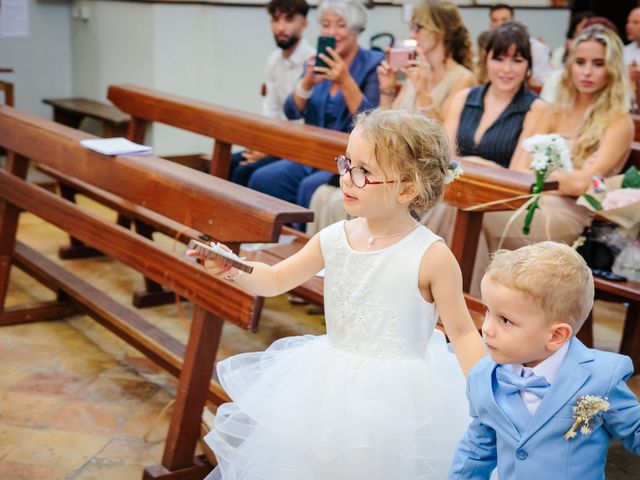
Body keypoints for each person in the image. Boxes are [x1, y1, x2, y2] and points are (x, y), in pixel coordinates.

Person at [191, 109, 485, 479]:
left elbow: (460, 332)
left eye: (364, 172)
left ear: (407, 188)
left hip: (402, 401)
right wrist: (233, 267)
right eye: (347, 163)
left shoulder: (431, 256)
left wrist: (485, 392)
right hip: (328, 386)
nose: (346, 178)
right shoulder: (334, 238)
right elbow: (275, 279)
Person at [449, 242, 640, 479]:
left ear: (556, 335)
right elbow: (477, 451)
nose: (487, 328)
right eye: (488, 311)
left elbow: (635, 431)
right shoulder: (483, 378)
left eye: (505, 320)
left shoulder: (601, 379)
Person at [469, 24, 634, 297]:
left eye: (598, 63)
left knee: (474, 216)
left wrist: (550, 174)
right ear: (570, 65)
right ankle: (461, 309)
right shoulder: (554, 111)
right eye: (580, 62)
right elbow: (518, 168)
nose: (587, 72)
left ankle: (470, 311)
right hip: (529, 202)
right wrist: (569, 176)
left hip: (569, 215)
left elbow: (584, 184)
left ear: (613, 69)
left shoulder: (618, 121)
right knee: (456, 208)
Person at [246, 0, 383, 208]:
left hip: (346, 160)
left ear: (356, 29)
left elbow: (372, 121)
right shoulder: (317, 60)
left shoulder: (372, 63)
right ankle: (267, 238)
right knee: (262, 178)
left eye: (340, 25)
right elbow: (291, 111)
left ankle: (304, 239)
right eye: (326, 25)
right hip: (310, 153)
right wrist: (307, 82)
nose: (332, 32)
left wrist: (345, 81)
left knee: (309, 188)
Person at [227, 0, 315, 185]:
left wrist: (271, 149)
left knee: (245, 173)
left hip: (301, 147)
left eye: (289, 20)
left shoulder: (312, 63)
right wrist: (262, 145)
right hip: (275, 141)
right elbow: (270, 110)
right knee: (226, 163)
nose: (280, 27)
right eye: (275, 20)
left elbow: (305, 123)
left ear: (304, 23)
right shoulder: (274, 60)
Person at [445, 22, 547, 168]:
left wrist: (472, 163)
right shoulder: (463, 98)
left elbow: (517, 172)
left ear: (528, 65)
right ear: (486, 59)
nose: (506, 69)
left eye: (517, 61)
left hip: (507, 190)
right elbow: (445, 159)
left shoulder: (537, 109)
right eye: (499, 59)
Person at [377, 0, 476, 121]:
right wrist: (387, 90)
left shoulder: (463, 79)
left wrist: (423, 92)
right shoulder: (417, 72)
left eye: (419, 28)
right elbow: (384, 125)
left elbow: (445, 136)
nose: (412, 35)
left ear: (440, 30)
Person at [488, 3, 553, 86]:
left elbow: (544, 82)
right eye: (495, 20)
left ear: (513, 20)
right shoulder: (488, 47)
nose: (499, 24)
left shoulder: (536, 48)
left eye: (504, 19)